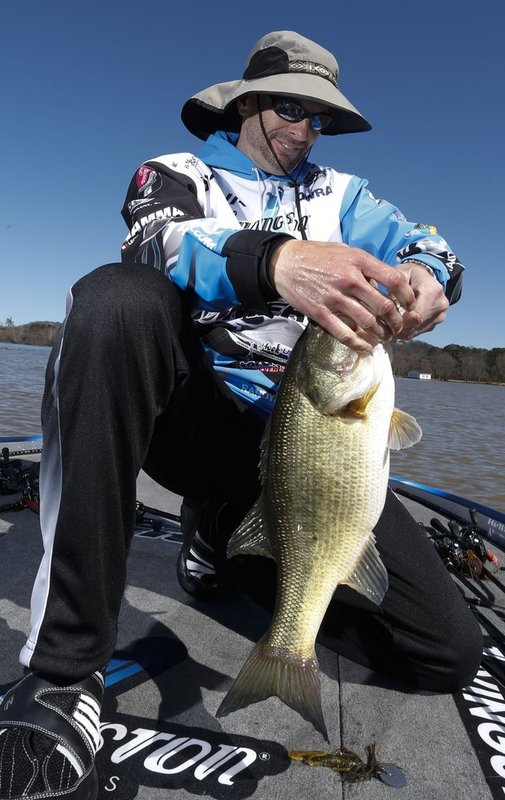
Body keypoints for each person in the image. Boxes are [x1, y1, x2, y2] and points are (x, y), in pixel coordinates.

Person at [0, 30, 481, 800]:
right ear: (246, 103)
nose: (305, 129)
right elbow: (156, 245)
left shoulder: (347, 197)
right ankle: (63, 669)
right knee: (115, 301)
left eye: (320, 118)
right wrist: (275, 261)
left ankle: (224, 540)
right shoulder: (175, 173)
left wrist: (428, 275)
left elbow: (432, 246)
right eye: (290, 108)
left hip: (312, 447)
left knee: (445, 654)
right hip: (196, 422)